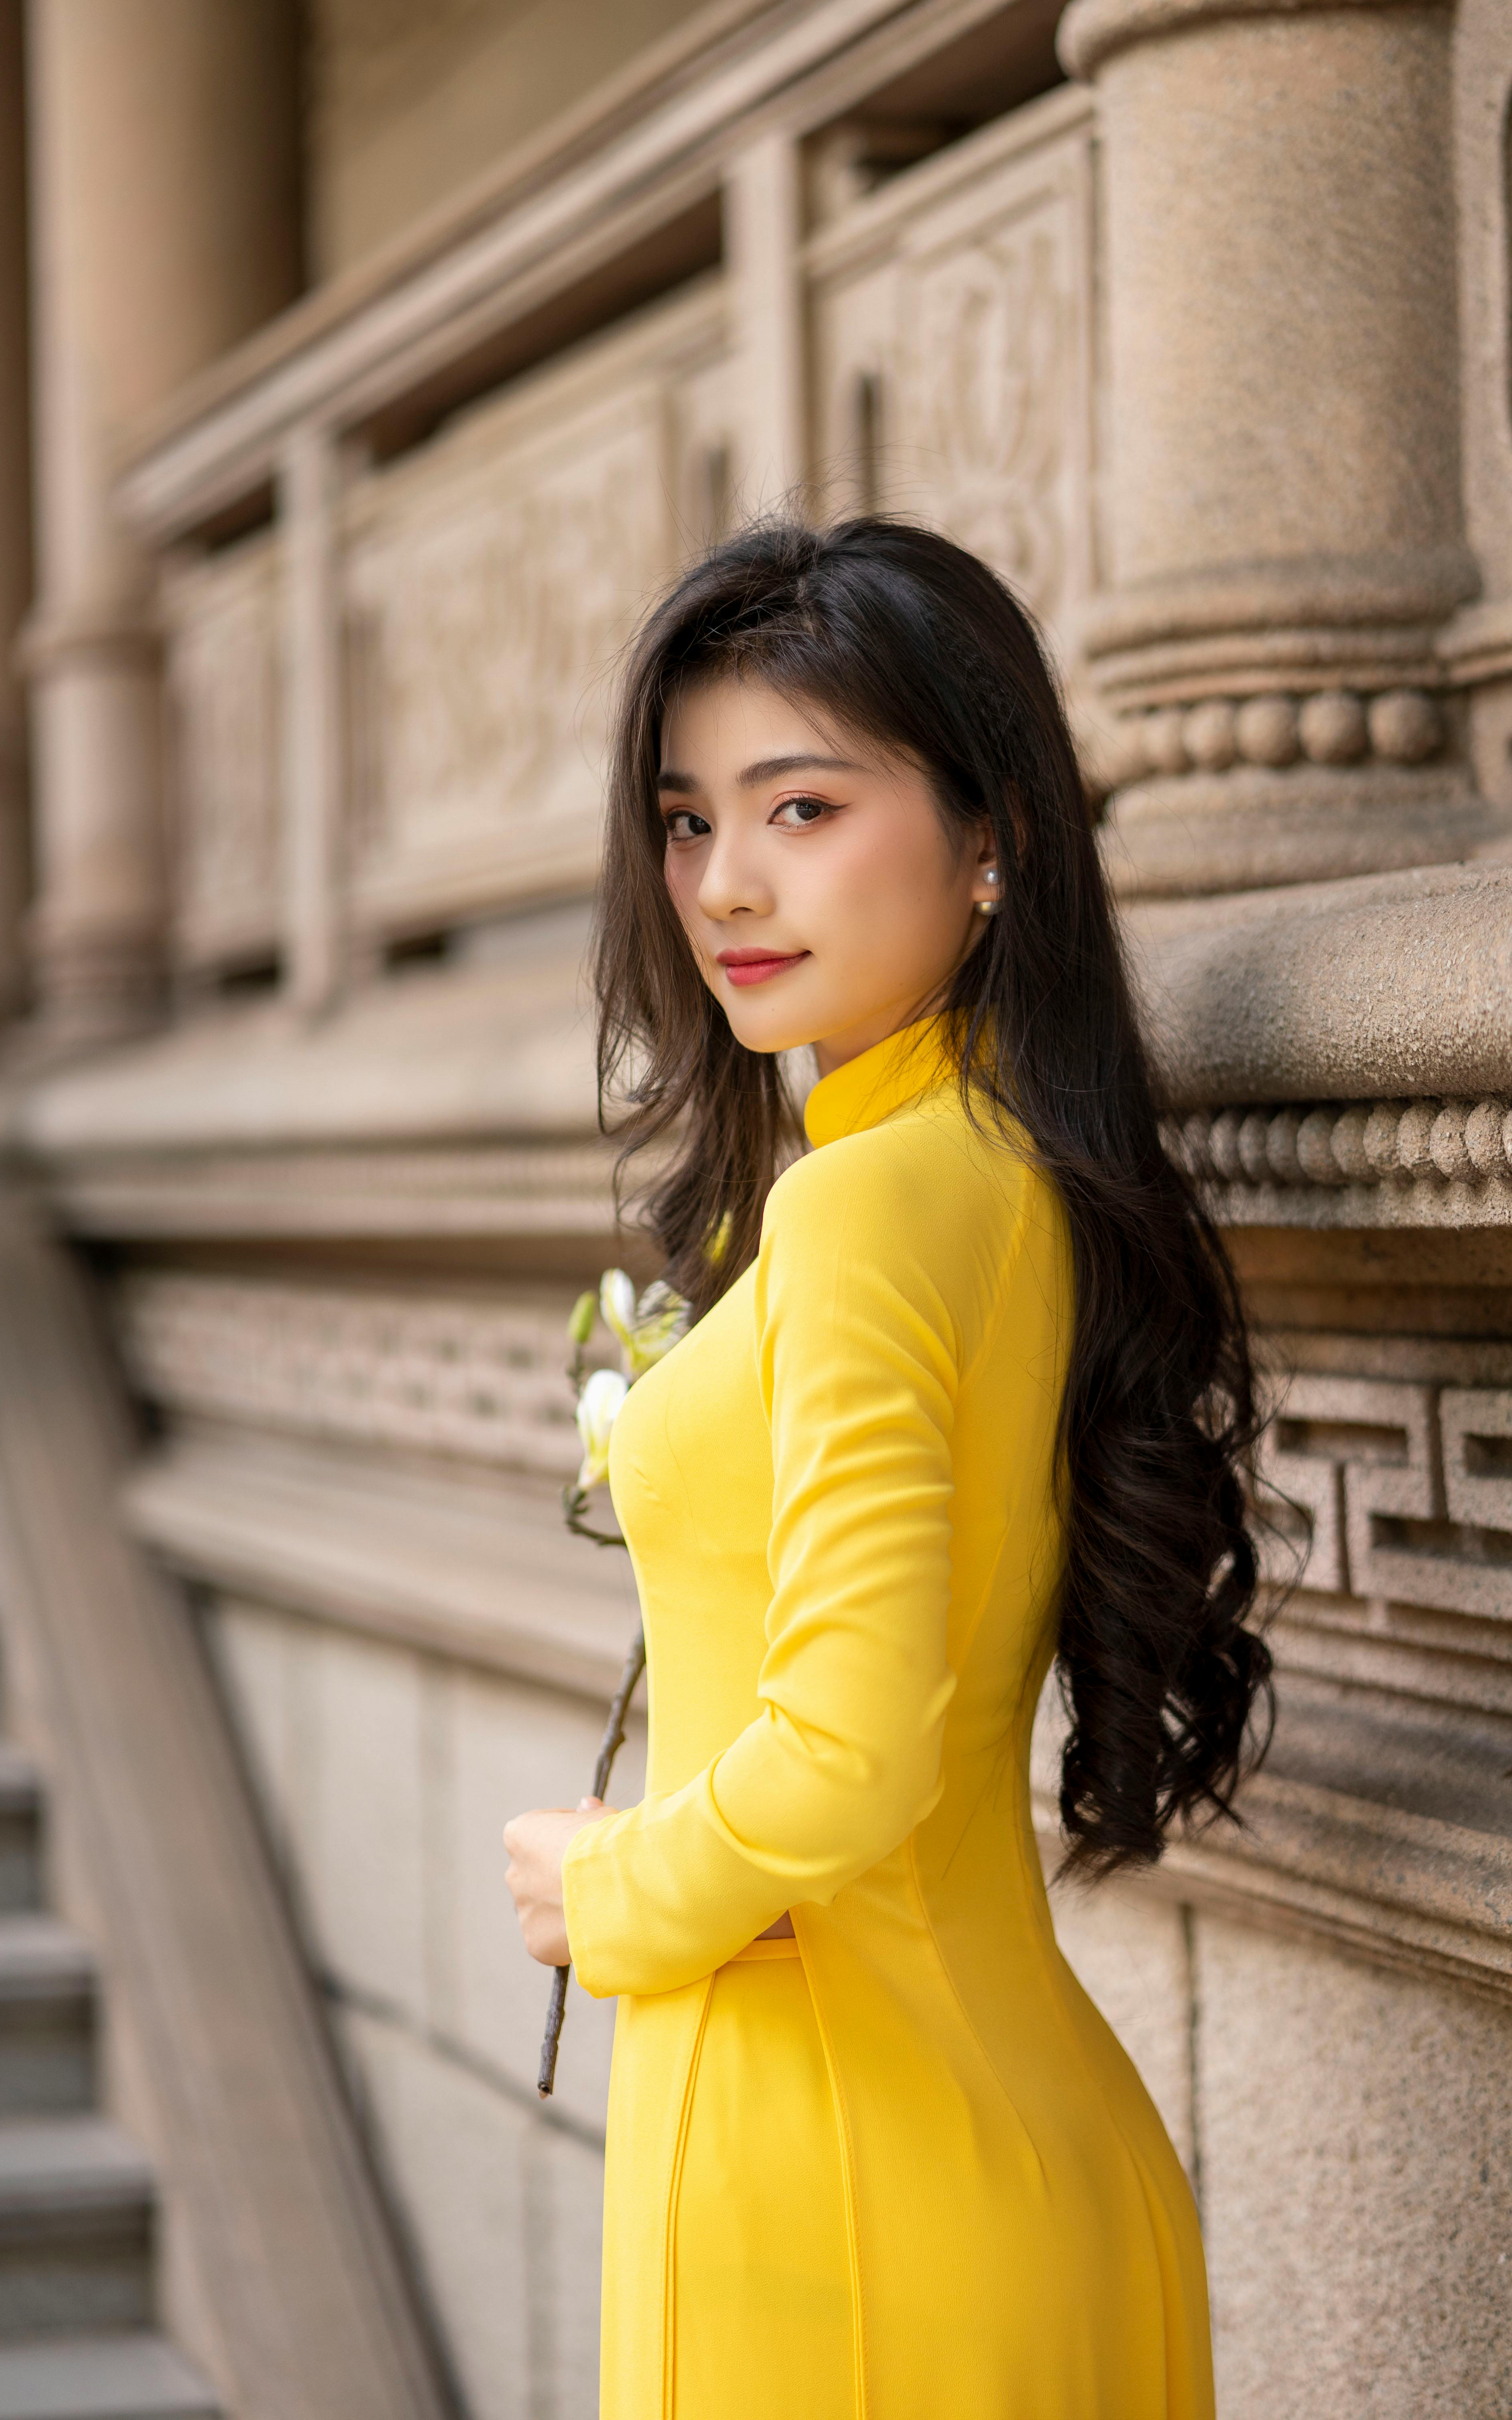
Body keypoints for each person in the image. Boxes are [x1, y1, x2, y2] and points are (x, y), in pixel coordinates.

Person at [504, 519, 1272, 2420]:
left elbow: (847, 1751)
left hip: (833, 2174)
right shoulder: (1010, 1178)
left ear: (994, 832)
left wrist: (609, 1892)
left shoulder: (862, 1210)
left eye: (802, 808)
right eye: (688, 821)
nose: (725, 886)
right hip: (1015, 2151)